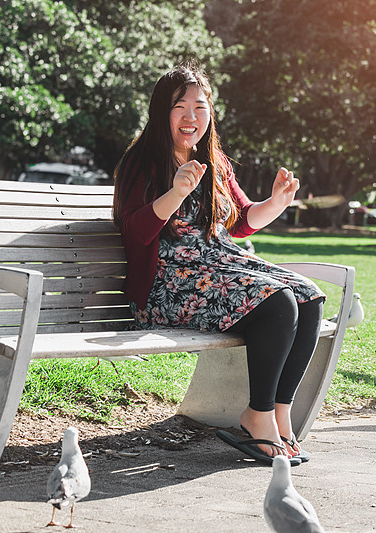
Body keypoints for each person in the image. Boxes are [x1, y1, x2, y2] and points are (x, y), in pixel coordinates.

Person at [112, 62, 325, 464]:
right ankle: (255, 417)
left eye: (201, 106)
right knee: (279, 301)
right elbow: (134, 231)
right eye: (180, 106)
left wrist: (276, 203)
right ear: (163, 112)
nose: (191, 116)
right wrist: (175, 192)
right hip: (168, 286)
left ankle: (280, 414)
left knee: (309, 297)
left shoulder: (214, 160)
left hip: (218, 269)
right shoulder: (142, 162)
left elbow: (241, 221)